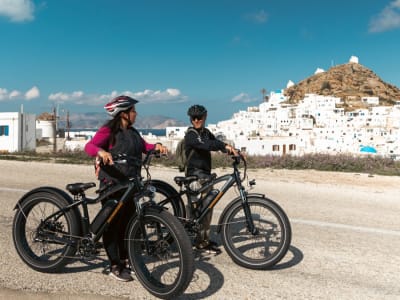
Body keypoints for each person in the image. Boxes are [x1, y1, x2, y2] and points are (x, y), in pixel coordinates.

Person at [84, 95, 167, 282]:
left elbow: (144, 146)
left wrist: (157, 147)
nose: (136, 114)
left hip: (130, 184)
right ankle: (115, 263)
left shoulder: (133, 132)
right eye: (133, 111)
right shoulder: (108, 130)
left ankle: (127, 258)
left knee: (128, 223)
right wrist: (101, 152)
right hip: (113, 185)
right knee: (112, 225)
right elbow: (90, 146)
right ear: (123, 113)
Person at [184, 104, 237, 254]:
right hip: (194, 176)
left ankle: (203, 240)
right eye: (193, 118)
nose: (196, 120)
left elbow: (215, 143)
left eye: (199, 117)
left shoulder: (206, 132)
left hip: (206, 175)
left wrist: (232, 150)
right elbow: (207, 145)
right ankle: (196, 241)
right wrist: (223, 146)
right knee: (197, 210)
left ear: (205, 117)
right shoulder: (191, 134)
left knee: (207, 209)